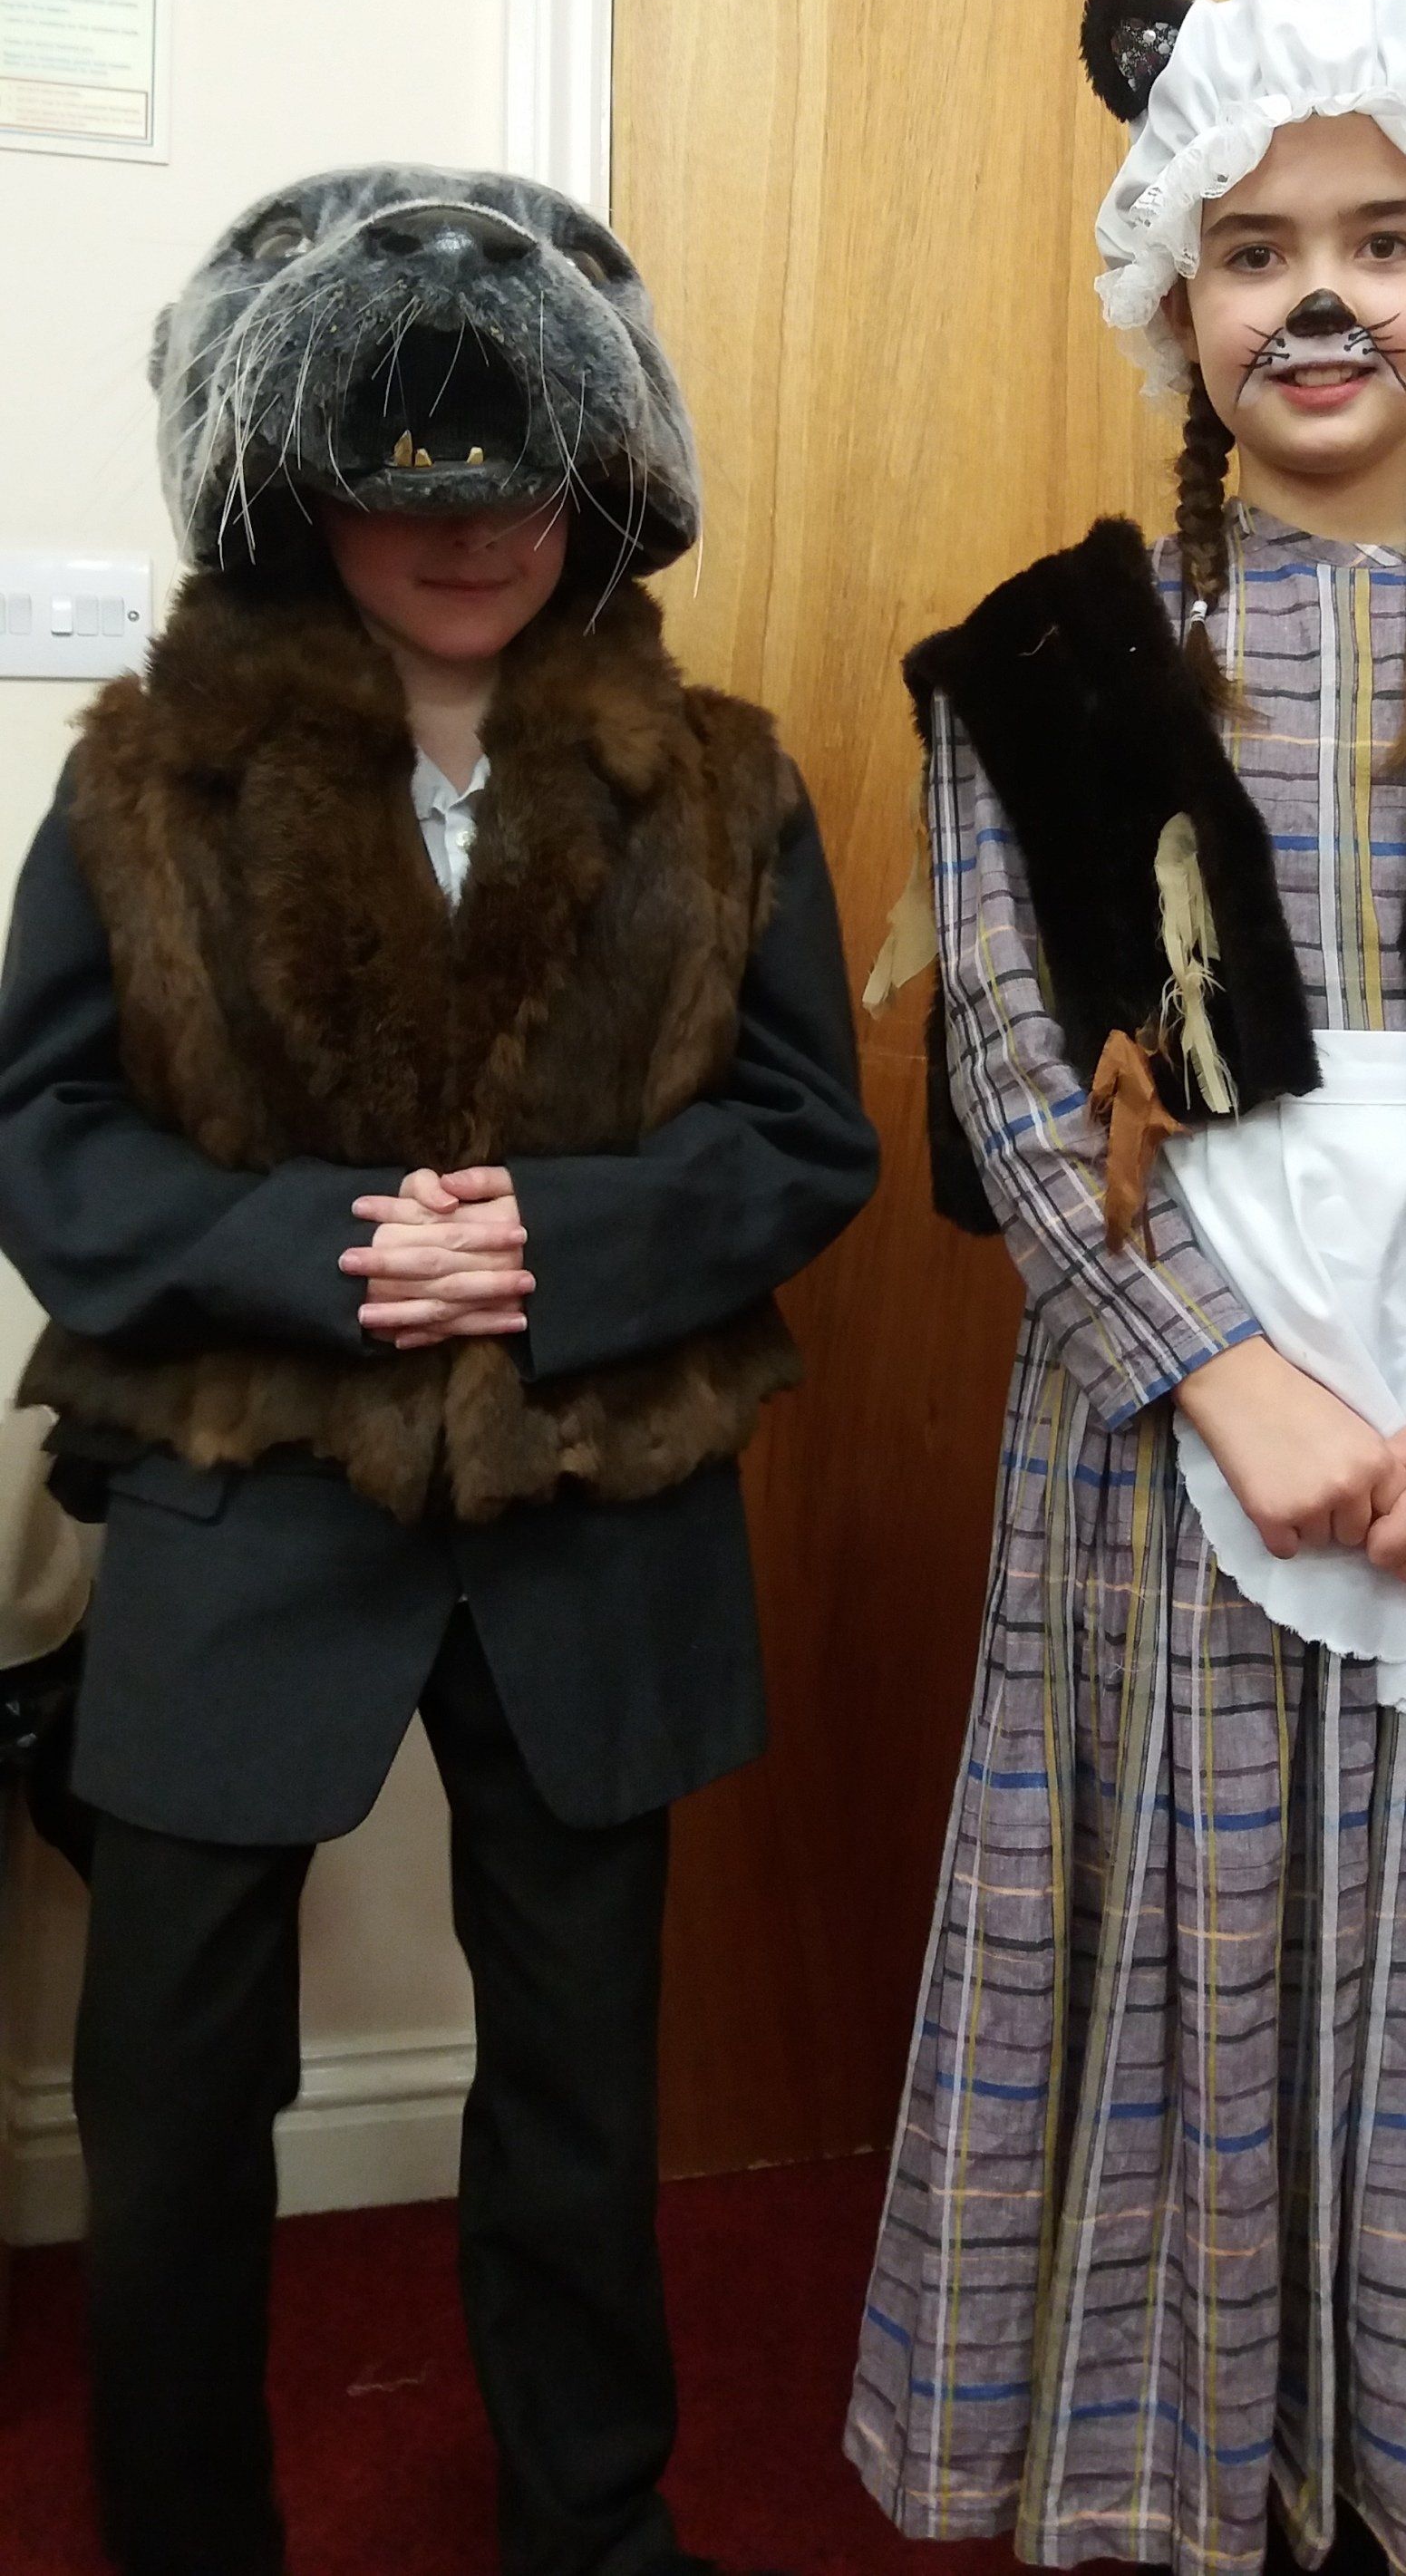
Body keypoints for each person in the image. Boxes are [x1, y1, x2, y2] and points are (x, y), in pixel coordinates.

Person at [847, 0, 1406, 2574]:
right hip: (1177, 1455)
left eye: (1381, 240)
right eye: (1254, 251)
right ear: (1177, 290)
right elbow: (1018, 1071)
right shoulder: (1047, 659)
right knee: (1203, 1935)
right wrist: (1220, 1379)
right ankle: (1191, 2466)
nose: (1319, 299)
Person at [0, 164, 879, 2576]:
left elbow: (808, 1131)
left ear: (599, 474)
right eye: (402, 476)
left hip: (599, 1499)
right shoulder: (140, 779)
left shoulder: (725, 777)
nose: (469, 526)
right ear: (298, 485)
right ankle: (186, 2534)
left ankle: (592, 2527)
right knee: (173, 2077)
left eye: (516, 473)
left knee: (581, 2073)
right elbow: (45, 1126)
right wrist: (308, 1252)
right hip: (238, 1480)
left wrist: (562, 1248)